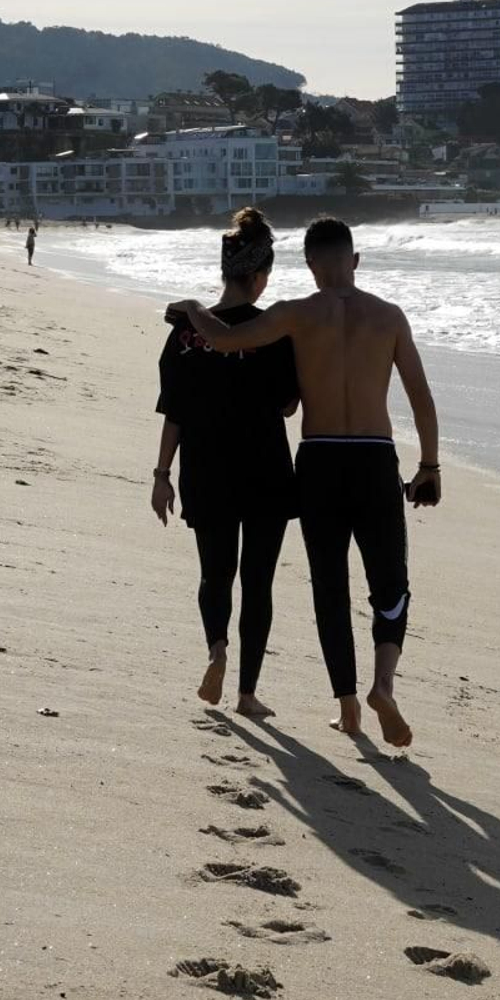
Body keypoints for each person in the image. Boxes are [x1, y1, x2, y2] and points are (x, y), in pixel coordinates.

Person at [167, 216, 439, 748]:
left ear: (311, 266)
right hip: (374, 457)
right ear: (355, 261)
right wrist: (428, 467)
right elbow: (421, 399)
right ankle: (384, 685)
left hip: (318, 461)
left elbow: (222, 341)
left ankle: (349, 707)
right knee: (390, 583)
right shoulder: (389, 317)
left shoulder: (294, 314)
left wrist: (193, 307)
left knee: (330, 588)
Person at [153, 207, 299, 716]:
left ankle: (216, 648)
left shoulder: (186, 334)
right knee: (258, 581)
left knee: (216, 573)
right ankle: (247, 694)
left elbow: (173, 410)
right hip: (265, 471)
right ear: (259, 277)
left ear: (225, 272)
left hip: (206, 468)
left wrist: (161, 476)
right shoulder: (275, 331)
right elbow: (287, 404)